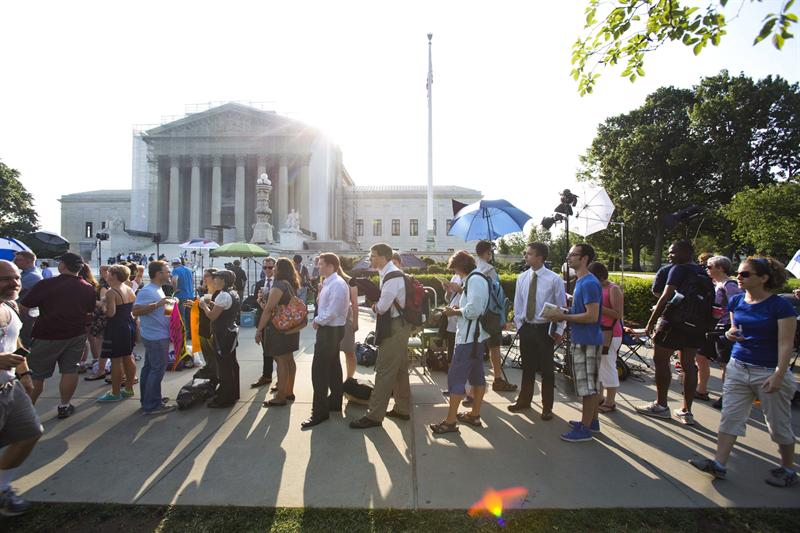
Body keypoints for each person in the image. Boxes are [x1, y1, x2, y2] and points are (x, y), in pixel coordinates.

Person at [690, 257, 798, 487]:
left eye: (744, 274)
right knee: (730, 417)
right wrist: (730, 334)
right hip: (739, 366)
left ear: (764, 278)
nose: (738, 277)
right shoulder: (737, 300)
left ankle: (788, 468)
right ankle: (719, 464)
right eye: (738, 273)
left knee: (777, 425)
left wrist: (779, 374)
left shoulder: (780, 307)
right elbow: (733, 328)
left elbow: (786, 344)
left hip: (769, 371)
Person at [638, 240, 708, 425]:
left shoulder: (679, 269)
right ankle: (687, 411)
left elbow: (665, 296)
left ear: (686, 252)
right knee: (688, 365)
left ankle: (661, 405)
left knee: (661, 361)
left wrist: (650, 323)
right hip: (695, 326)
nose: (670, 256)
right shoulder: (702, 271)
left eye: (673, 252)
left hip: (674, 324)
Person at [21, 252, 96, 419]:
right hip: (76, 333)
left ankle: (25, 413)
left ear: (62, 266)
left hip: (47, 333)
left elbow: (24, 307)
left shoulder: (46, 284)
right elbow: (89, 312)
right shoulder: (88, 287)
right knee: (70, 370)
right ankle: (64, 405)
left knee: (37, 374)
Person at [350, 243, 412, 429]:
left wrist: (373, 305)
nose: (371, 258)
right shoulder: (388, 272)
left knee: (384, 370)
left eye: (374, 255)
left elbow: (383, 307)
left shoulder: (392, 275)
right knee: (400, 370)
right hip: (398, 325)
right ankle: (402, 409)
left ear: (384, 256)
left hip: (394, 327)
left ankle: (374, 415)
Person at [429, 250, 490, 434]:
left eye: (455, 268)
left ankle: (450, 421)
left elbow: (474, 310)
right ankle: (474, 415)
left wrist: (454, 312)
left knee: (456, 378)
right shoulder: (475, 279)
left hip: (469, 339)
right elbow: (473, 307)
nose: (455, 272)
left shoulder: (475, 280)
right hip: (475, 338)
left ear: (461, 266)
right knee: (477, 377)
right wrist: (458, 308)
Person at [0, 260, 43, 516]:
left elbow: (14, 339)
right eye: (6, 278)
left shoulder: (10, 306)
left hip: (10, 384)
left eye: (16, 277)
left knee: (29, 432)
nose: (14, 283)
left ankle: (2, 487)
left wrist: (25, 373)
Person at [551, 243, 604, 442]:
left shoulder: (588, 283)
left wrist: (564, 317)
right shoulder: (582, 281)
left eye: (573, 255)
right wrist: (566, 310)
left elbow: (592, 316)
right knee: (589, 384)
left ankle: (585, 428)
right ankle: (592, 421)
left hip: (587, 340)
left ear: (585, 259)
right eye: (569, 254)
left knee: (587, 388)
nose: (569, 257)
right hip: (584, 339)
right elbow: (583, 310)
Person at [508, 243, 566, 420]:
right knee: (527, 367)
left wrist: (560, 329)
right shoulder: (522, 277)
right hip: (527, 328)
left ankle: (547, 407)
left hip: (544, 328)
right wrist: (520, 325)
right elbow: (518, 303)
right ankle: (524, 400)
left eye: (529, 254)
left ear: (540, 257)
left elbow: (561, 306)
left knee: (547, 370)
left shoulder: (554, 279)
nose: (525, 256)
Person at [301, 253, 350, 428]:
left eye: (321, 264)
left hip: (330, 330)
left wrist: (317, 321)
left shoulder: (337, 284)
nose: (318, 267)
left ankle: (320, 412)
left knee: (319, 372)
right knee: (333, 367)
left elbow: (334, 310)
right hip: (331, 330)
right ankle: (334, 402)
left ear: (331, 266)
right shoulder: (330, 283)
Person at [696, 256, 742, 409]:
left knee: (724, 364)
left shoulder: (730, 285)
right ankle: (701, 390)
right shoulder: (715, 284)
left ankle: (727, 397)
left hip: (725, 328)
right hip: (712, 328)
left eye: (709, 266)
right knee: (701, 357)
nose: (706, 269)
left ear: (721, 268)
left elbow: (737, 305)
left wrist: (733, 327)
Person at [133, 261, 177, 415]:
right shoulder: (147, 290)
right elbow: (136, 310)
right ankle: (152, 404)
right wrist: (158, 304)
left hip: (157, 335)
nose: (169, 274)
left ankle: (149, 399)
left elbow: (161, 312)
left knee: (150, 368)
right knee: (156, 370)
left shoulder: (157, 289)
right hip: (155, 337)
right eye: (167, 271)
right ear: (158, 274)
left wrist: (169, 306)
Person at [256, 258, 300, 406]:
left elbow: (268, 310)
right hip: (291, 326)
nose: (272, 269)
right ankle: (289, 391)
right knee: (288, 359)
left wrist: (259, 329)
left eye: (274, 267)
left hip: (279, 327)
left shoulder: (279, 285)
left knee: (281, 361)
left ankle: (280, 396)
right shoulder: (291, 284)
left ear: (279, 269)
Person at [475, 240, 517, 392]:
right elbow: (497, 294)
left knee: (476, 348)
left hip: (477, 311)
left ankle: (475, 384)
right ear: (487, 253)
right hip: (491, 313)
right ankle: (497, 379)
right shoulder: (489, 269)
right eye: (490, 252)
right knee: (494, 347)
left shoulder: (473, 267)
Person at [96, 265, 138, 402]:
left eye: (108, 273)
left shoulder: (111, 292)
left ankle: (115, 392)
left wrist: (102, 306)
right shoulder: (129, 288)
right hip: (129, 325)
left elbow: (111, 313)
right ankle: (129, 388)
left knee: (116, 361)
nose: (106, 275)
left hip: (117, 327)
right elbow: (133, 308)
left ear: (113, 276)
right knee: (128, 357)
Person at [199, 270, 241, 408]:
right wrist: (212, 304)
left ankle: (225, 398)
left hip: (223, 334)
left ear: (223, 280)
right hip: (230, 333)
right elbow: (223, 309)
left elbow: (212, 316)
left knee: (224, 367)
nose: (213, 281)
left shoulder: (223, 295)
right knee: (232, 364)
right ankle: (234, 393)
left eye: (215, 279)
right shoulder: (232, 293)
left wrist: (204, 306)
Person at [588, 262, 623, 413]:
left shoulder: (613, 289)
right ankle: (600, 397)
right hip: (597, 331)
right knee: (599, 366)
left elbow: (618, 314)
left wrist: (596, 306)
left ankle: (610, 401)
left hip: (610, 333)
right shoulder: (596, 288)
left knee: (608, 365)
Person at [190, 268, 219, 387]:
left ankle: (217, 379)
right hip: (203, 328)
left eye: (206, 276)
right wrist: (194, 305)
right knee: (208, 357)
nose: (204, 278)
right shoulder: (206, 291)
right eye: (204, 276)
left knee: (215, 357)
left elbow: (214, 312)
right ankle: (212, 380)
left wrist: (203, 306)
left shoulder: (218, 293)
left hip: (211, 330)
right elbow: (204, 308)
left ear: (214, 278)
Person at [251, 257, 276, 388]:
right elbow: (256, 302)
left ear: (275, 267)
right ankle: (266, 376)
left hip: (276, 321)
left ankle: (281, 379)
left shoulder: (279, 283)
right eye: (265, 267)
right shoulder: (260, 282)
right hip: (263, 319)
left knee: (277, 352)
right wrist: (260, 301)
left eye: (270, 267)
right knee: (266, 350)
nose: (267, 270)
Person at [85, 265, 110, 381]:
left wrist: (91, 301)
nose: (102, 274)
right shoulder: (113, 286)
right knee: (102, 345)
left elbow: (103, 306)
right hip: (105, 319)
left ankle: (101, 369)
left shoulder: (105, 287)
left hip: (103, 318)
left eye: (104, 272)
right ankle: (101, 367)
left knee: (102, 346)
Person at [13, 251, 42, 349]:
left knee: (23, 341)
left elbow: (11, 291)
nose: (14, 261)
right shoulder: (27, 274)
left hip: (25, 314)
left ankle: (23, 362)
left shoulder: (32, 276)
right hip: (23, 312)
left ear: (29, 261)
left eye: (18, 259)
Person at [337, 265, 360, 380]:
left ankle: (349, 379)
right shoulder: (325, 280)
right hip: (331, 322)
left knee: (348, 351)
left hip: (347, 319)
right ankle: (337, 380)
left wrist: (355, 321)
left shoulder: (350, 281)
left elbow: (355, 303)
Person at [171, 258, 194, 332]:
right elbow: (192, 281)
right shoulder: (189, 270)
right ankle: (190, 333)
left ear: (173, 264)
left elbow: (174, 280)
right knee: (189, 316)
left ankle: (183, 333)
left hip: (181, 296)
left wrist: (175, 290)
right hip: (190, 295)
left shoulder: (176, 270)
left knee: (181, 316)